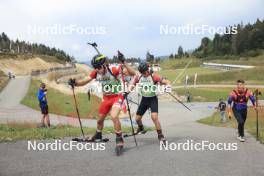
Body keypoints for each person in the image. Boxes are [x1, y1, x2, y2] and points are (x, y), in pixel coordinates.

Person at [68, 53, 136, 147]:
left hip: (117, 97)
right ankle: (98, 134)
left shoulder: (113, 70)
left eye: (99, 67)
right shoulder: (96, 72)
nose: (97, 70)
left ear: (104, 64)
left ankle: (119, 138)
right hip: (106, 98)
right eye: (95, 67)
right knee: (100, 120)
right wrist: (75, 83)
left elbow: (133, 73)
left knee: (113, 116)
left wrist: (124, 62)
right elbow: (84, 82)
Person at [130, 62, 171, 142]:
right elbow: (132, 84)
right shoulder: (139, 77)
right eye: (142, 72)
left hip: (152, 99)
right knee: (137, 119)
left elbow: (167, 82)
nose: (144, 74)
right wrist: (127, 91)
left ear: (148, 69)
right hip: (144, 99)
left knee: (154, 117)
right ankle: (141, 128)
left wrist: (168, 87)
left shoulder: (154, 76)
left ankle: (160, 136)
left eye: (145, 72)